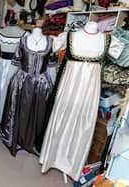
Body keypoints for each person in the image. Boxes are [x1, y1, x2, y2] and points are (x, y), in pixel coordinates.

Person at [39, 21, 124, 181]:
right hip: (68, 90)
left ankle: (72, 164)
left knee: (82, 125)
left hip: (89, 92)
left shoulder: (108, 40)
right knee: (60, 120)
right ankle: (52, 158)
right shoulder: (70, 36)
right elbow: (55, 47)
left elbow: (118, 53)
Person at [1, 27, 55, 156]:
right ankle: (19, 139)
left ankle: (34, 141)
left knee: (39, 113)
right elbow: (15, 63)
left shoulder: (51, 42)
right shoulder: (23, 41)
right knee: (22, 111)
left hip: (42, 83)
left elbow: (51, 66)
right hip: (22, 81)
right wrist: (9, 82)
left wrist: (53, 85)